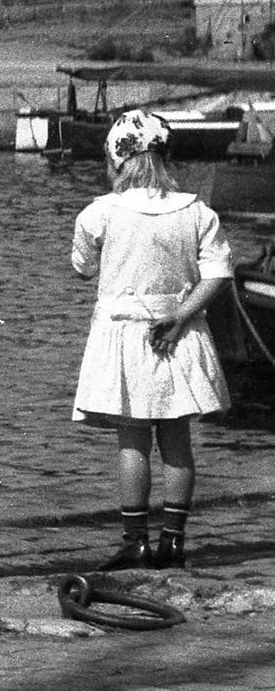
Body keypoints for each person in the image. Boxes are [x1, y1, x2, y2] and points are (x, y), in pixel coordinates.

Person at [72, 109, 233, 568]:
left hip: (126, 337)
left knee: (133, 440)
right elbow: (219, 273)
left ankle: (135, 541)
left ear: (117, 159)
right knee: (177, 438)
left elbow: (82, 268)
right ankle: (175, 542)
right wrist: (182, 313)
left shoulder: (99, 213)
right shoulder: (198, 211)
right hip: (179, 333)